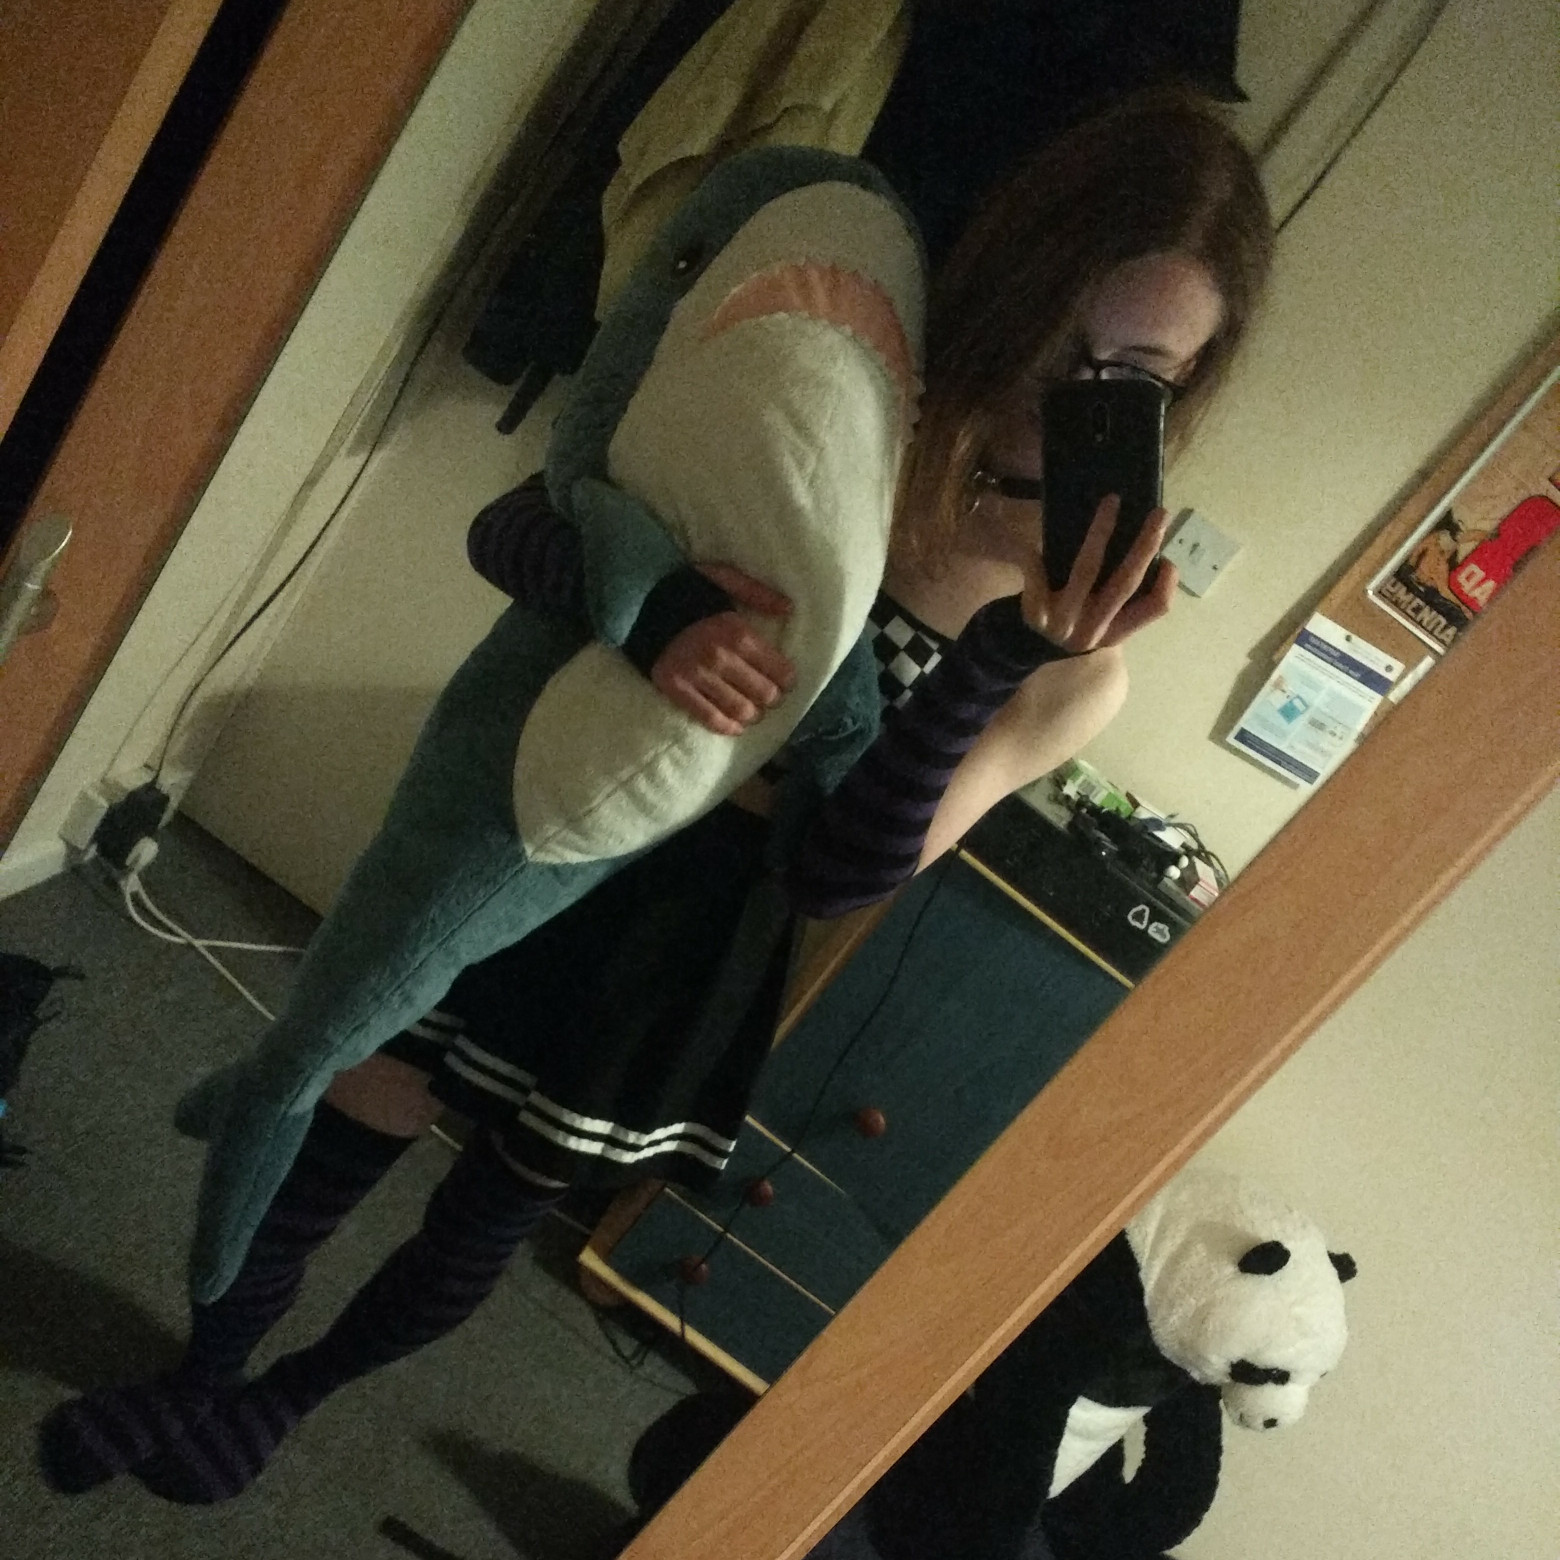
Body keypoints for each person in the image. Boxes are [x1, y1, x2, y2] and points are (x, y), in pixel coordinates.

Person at [38, 88, 1272, 1505]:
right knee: (348, 1107)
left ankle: (285, 1403)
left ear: (1187, 391)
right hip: (540, 828)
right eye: (1068, 340)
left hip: (692, 942)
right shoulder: (845, 404)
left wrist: (999, 655)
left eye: (1140, 376)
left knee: (483, 1219)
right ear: (1013, 279)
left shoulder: (1074, 671)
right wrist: (661, 609)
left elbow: (837, 871)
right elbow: (523, 525)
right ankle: (198, 1378)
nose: (1082, 394)